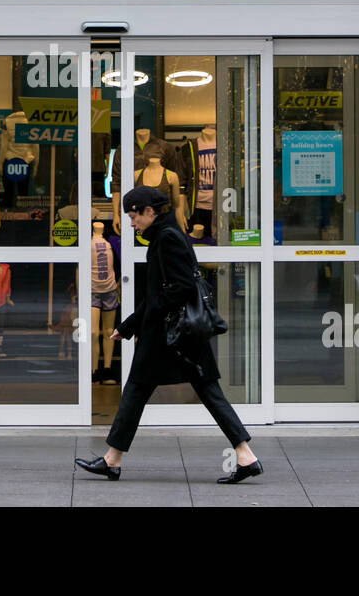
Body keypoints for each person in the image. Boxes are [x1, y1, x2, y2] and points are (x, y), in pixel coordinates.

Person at [74, 185, 262, 483]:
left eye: (133, 215)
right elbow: (162, 290)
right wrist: (129, 325)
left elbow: (179, 287)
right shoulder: (166, 234)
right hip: (177, 331)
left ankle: (112, 460)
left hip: (170, 333)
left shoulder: (167, 238)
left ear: (149, 211)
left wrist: (144, 321)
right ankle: (245, 455)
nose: (131, 222)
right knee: (202, 389)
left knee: (139, 388)